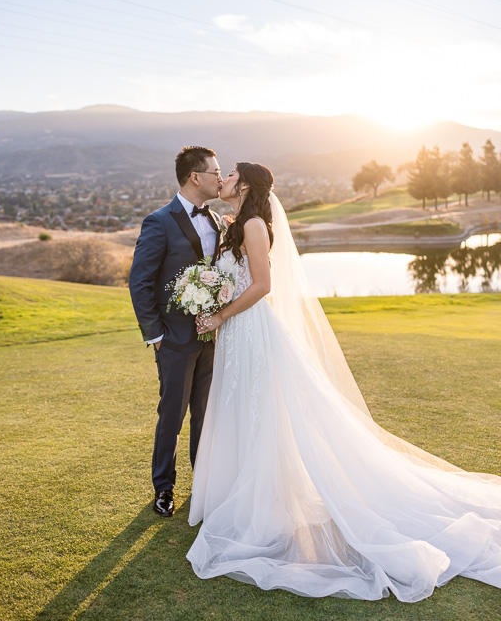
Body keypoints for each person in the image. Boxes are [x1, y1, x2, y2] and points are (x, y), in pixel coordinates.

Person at [186, 161, 501, 602]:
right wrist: (213, 296)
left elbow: (262, 285)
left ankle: (267, 504)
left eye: (230, 174)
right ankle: (237, 494)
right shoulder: (236, 223)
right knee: (241, 407)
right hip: (238, 333)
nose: (222, 180)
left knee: (264, 410)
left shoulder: (255, 224)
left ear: (246, 185)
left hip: (253, 329)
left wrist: (220, 312)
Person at [129, 146, 223, 517]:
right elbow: (140, 282)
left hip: (211, 338)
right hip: (173, 339)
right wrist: (155, 335)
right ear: (195, 177)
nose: (221, 177)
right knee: (172, 413)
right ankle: (163, 489)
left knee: (205, 413)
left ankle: (203, 482)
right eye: (215, 172)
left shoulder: (216, 219)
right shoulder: (159, 221)